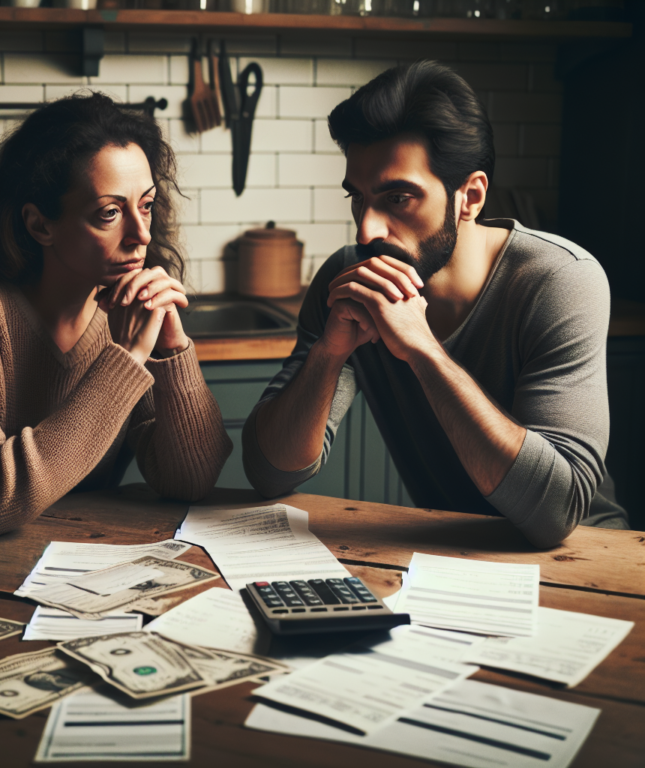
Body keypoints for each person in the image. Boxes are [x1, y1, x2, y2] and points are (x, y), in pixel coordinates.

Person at [242, 61, 628, 548]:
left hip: (588, 559)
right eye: (358, 198)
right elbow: (268, 473)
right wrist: (330, 353)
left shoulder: (560, 279)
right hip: (451, 556)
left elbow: (555, 514)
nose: (366, 230)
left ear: (470, 196)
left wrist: (424, 352)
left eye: (398, 198)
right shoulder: (350, 280)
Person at [0, 92, 232, 538]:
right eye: (109, 213)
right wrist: (124, 361)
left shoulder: (124, 312)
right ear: (39, 225)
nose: (141, 234)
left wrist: (172, 350)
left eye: (146, 205)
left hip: (57, 555)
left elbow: (192, 482)